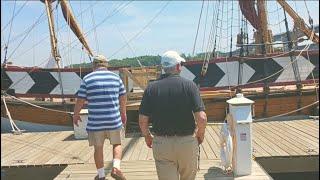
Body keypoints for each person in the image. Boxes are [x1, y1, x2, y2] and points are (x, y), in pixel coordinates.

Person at [139, 50, 207, 180]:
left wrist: (147, 136)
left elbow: (143, 120)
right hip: (186, 143)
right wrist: (200, 135)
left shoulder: (151, 88)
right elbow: (202, 118)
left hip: (162, 143)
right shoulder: (190, 86)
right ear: (177, 66)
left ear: (163, 67)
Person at [73, 55, 127, 180]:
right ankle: (116, 168)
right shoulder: (116, 78)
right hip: (114, 119)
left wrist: (76, 115)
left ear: (94, 65)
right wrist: (123, 113)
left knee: (98, 148)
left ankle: (101, 176)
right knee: (117, 144)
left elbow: (80, 100)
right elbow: (123, 97)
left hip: (95, 122)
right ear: (106, 65)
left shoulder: (87, 78)